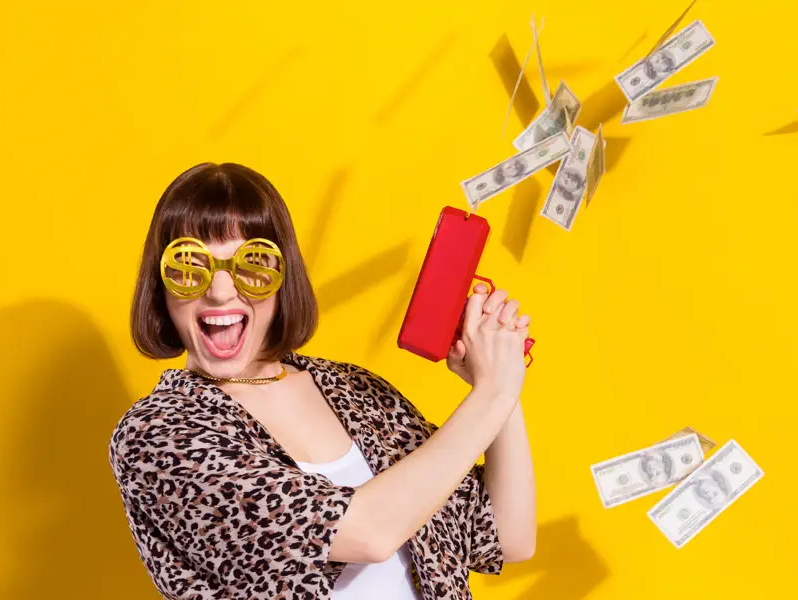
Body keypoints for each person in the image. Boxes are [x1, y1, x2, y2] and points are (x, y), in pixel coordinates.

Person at [108, 162, 537, 600]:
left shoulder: (356, 390)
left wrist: (501, 376)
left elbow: (507, 537)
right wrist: (493, 392)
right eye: (190, 265)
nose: (220, 291)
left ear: (283, 279)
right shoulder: (158, 434)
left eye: (252, 263)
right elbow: (367, 533)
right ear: (161, 287)